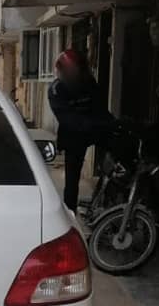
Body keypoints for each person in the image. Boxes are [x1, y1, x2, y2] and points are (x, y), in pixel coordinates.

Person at [48, 49, 112, 213]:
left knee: (116, 154)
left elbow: (100, 108)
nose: (73, 75)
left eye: (76, 71)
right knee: (72, 180)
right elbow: (67, 119)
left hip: (96, 129)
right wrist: (91, 124)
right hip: (74, 136)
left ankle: (108, 197)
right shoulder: (57, 89)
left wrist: (111, 124)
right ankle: (71, 214)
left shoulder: (89, 82)